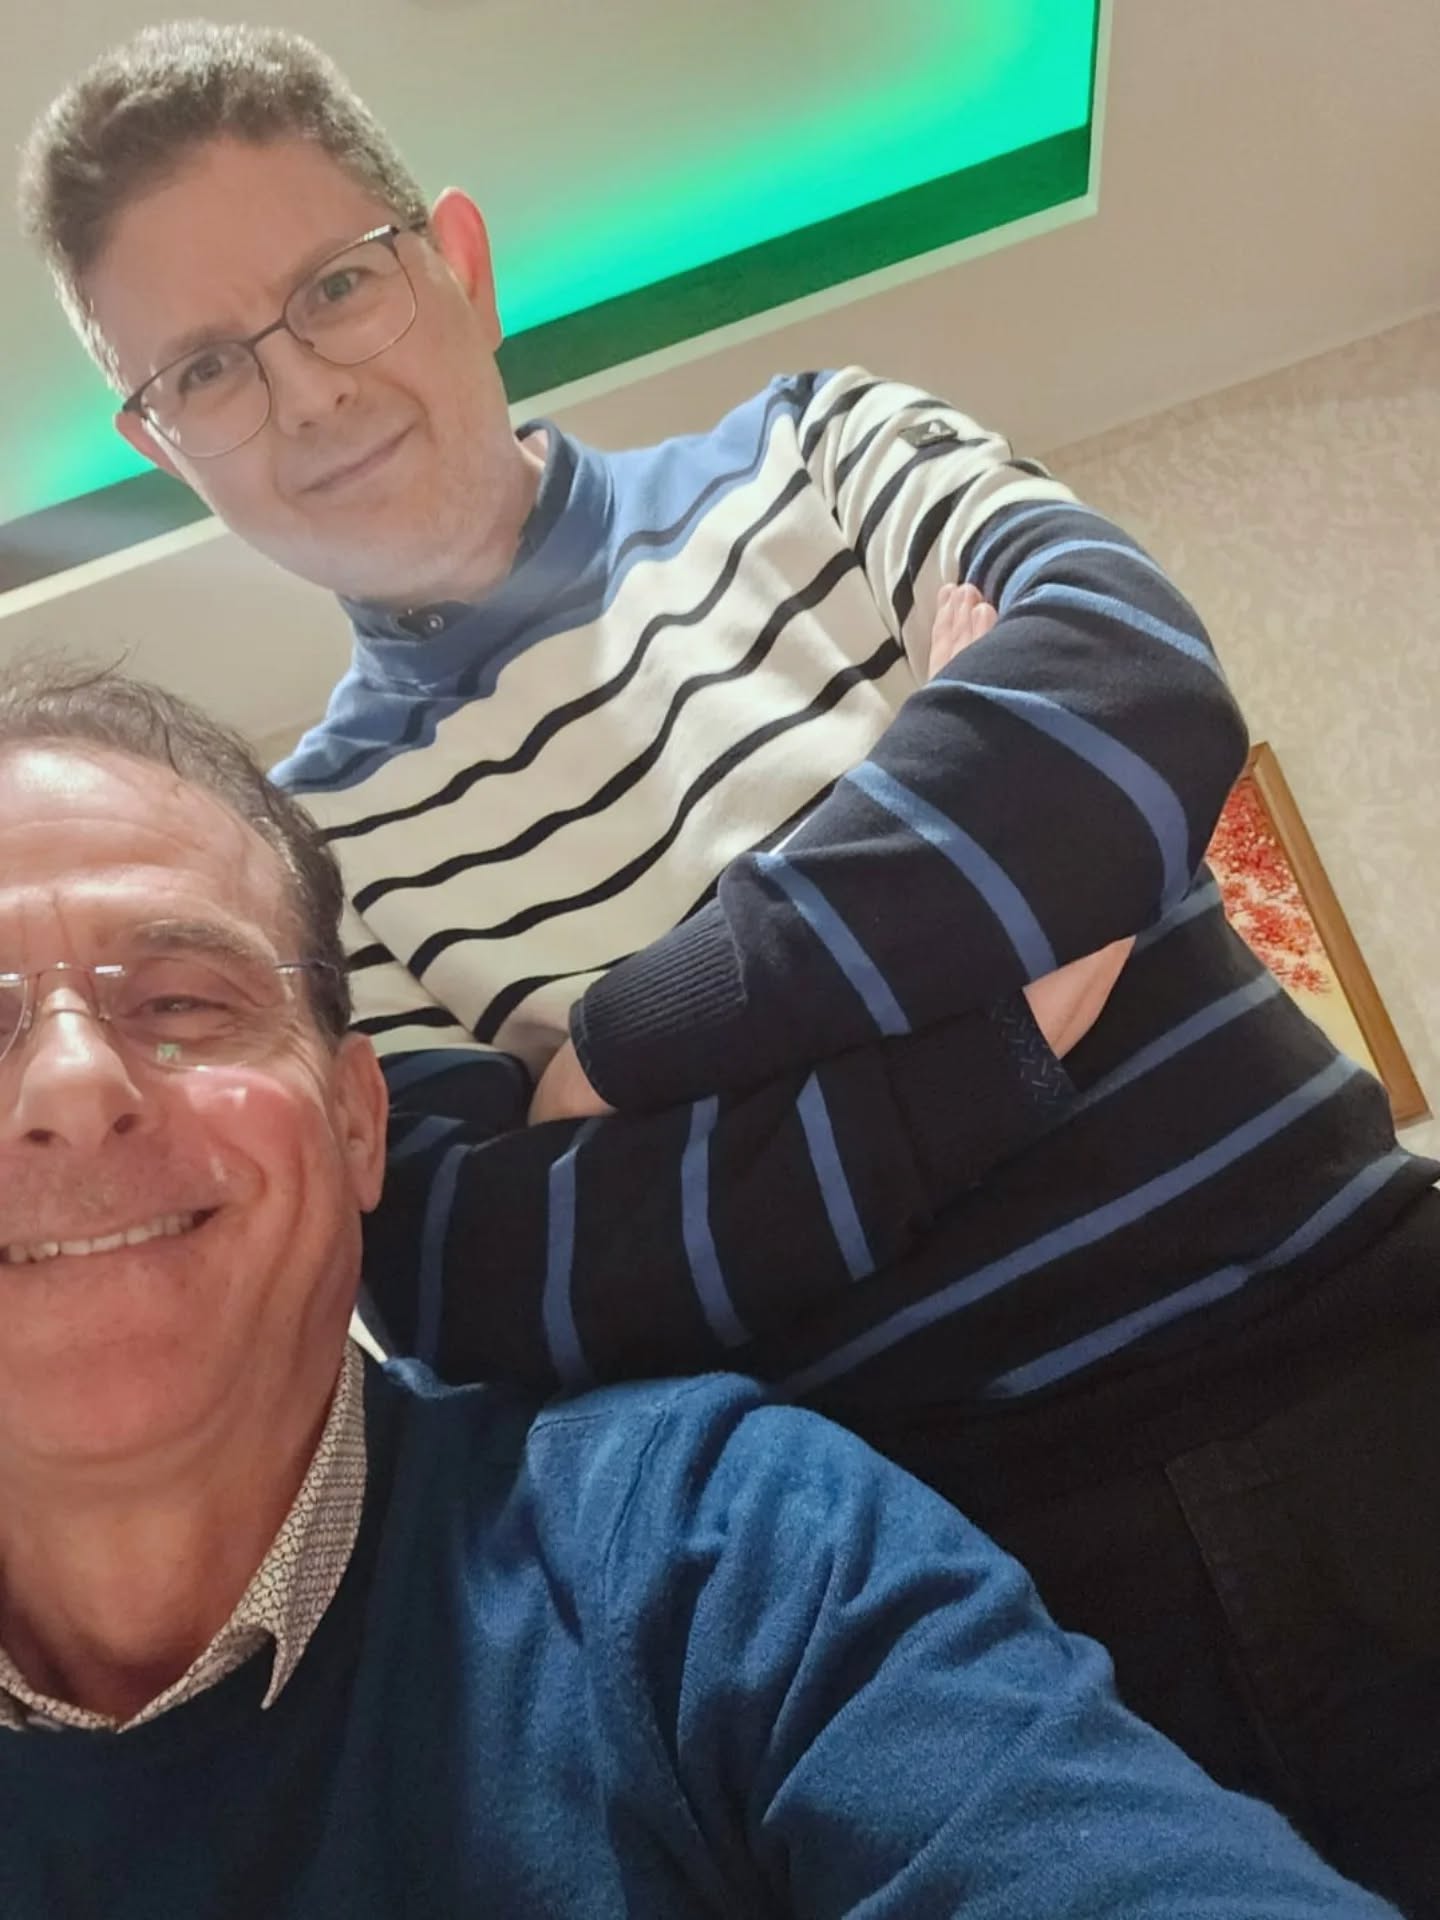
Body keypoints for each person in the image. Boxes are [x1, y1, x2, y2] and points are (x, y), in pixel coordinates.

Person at [18, 25, 1440, 1909]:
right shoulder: (299, 860)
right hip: (944, 1577)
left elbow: (1127, 711)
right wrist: (1006, 1006)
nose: (302, 391)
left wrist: (623, 1046)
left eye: (335, 286)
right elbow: (508, 1284)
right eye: (205, 366)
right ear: (161, 443)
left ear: (457, 260)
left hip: (1375, 1341)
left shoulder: (820, 445)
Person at [0, 661, 1403, 1919]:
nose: (71, 1086)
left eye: (183, 1002)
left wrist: (607, 1058)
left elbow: (1133, 686)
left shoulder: (721, 1555)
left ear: (361, 1122)